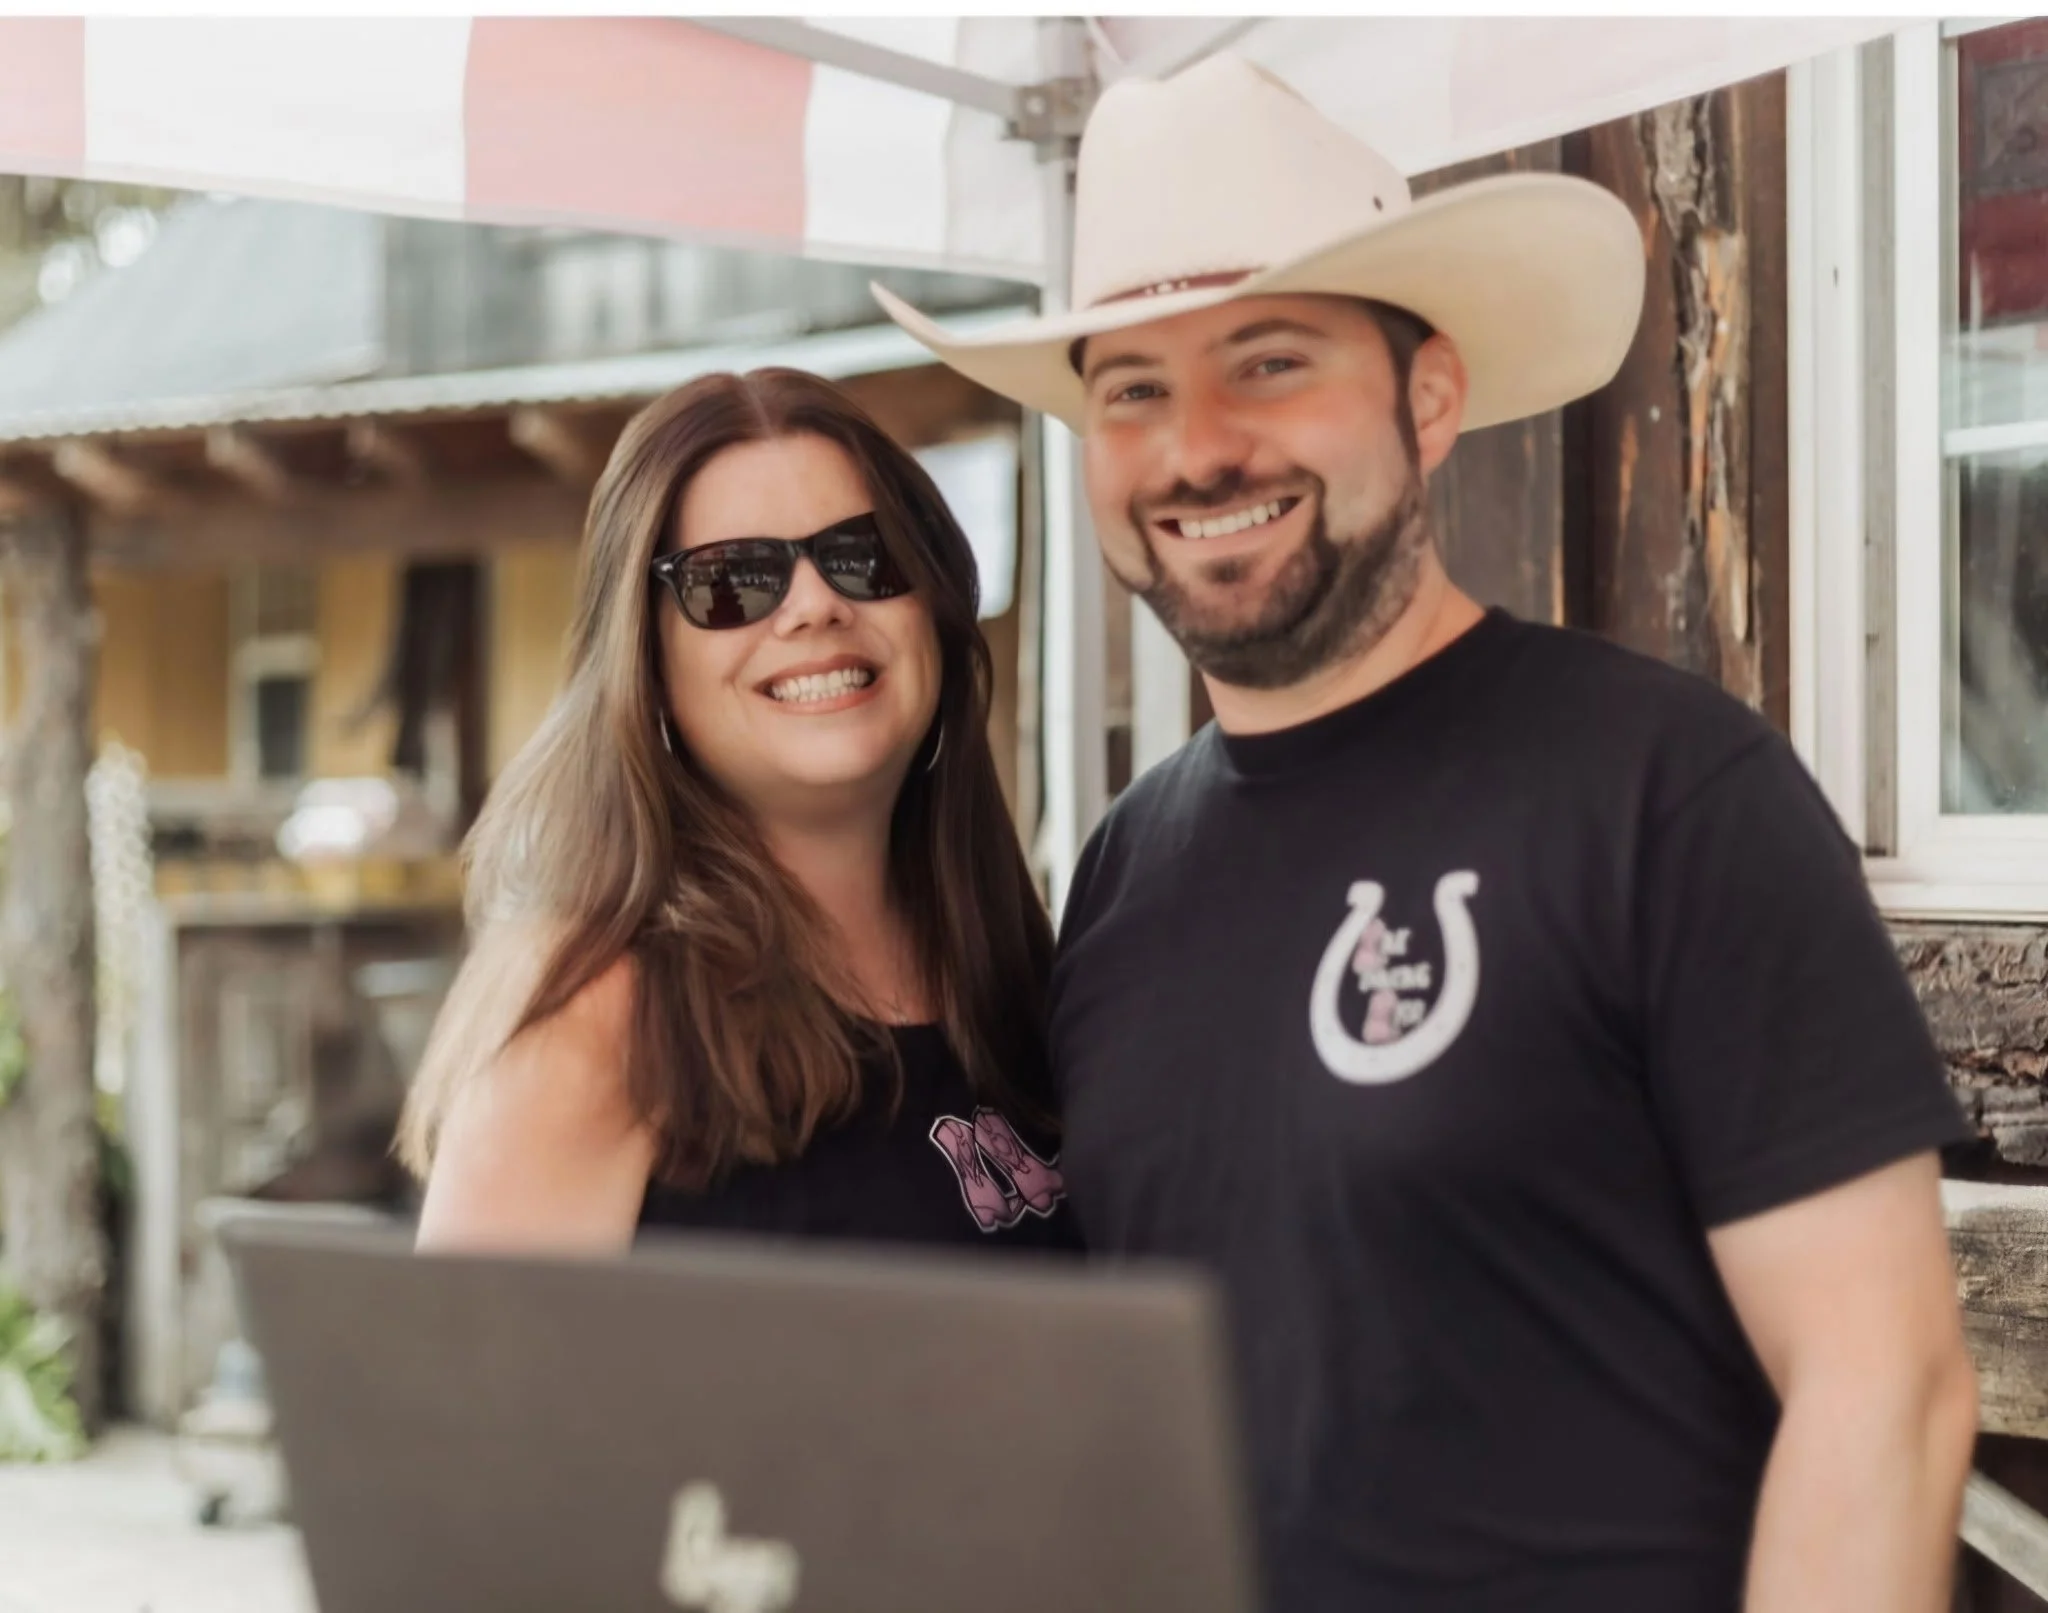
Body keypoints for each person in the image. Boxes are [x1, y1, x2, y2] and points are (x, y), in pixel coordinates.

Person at [877, 51, 1977, 1613]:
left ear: (1431, 395)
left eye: (1270, 361)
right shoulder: (1123, 870)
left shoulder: (1668, 792)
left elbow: (1884, 1390)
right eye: (1133, 389)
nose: (1196, 448)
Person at [397, 368, 1076, 1258]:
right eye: (733, 581)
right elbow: (459, 1354)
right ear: (646, 666)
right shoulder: (597, 1020)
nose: (816, 605)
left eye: (865, 554)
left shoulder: (1015, 976)